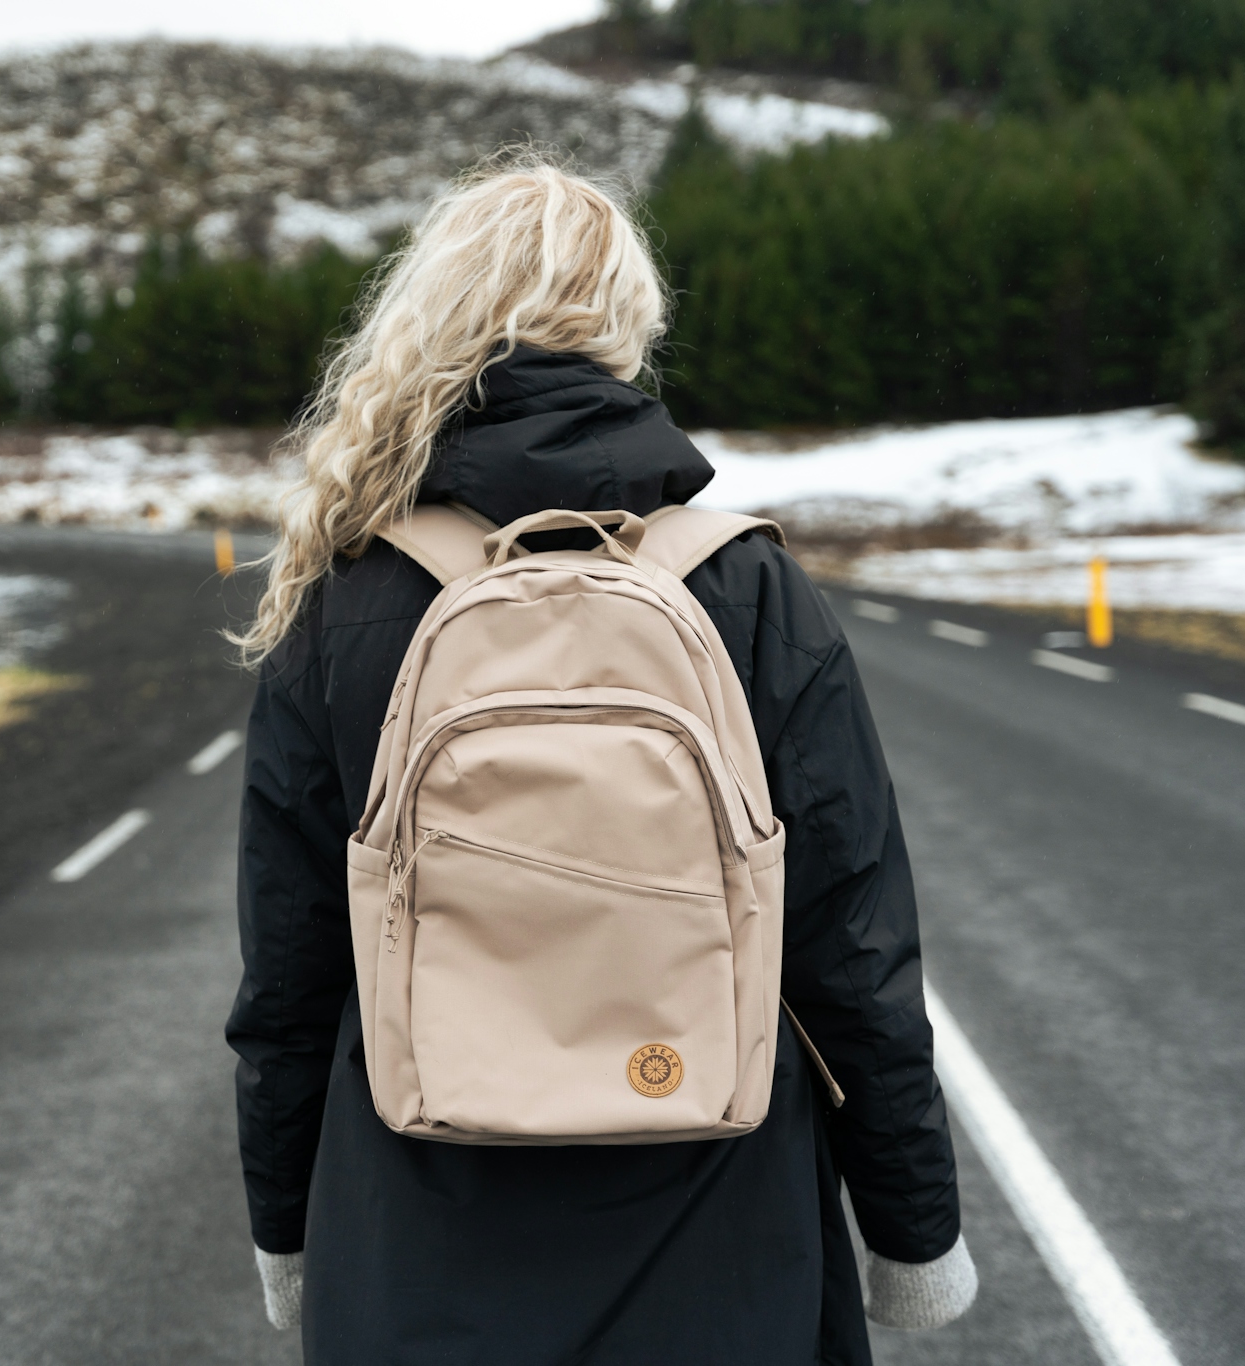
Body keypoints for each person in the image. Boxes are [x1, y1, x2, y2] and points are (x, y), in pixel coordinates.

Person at [223, 152, 977, 1364]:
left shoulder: (348, 599)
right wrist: (912, 1233)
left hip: (416, 1236)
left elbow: (290, 976)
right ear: (626, 325)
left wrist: (285, 1232)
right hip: (720, 1227)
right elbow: (850, 950)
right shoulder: (744, 586)